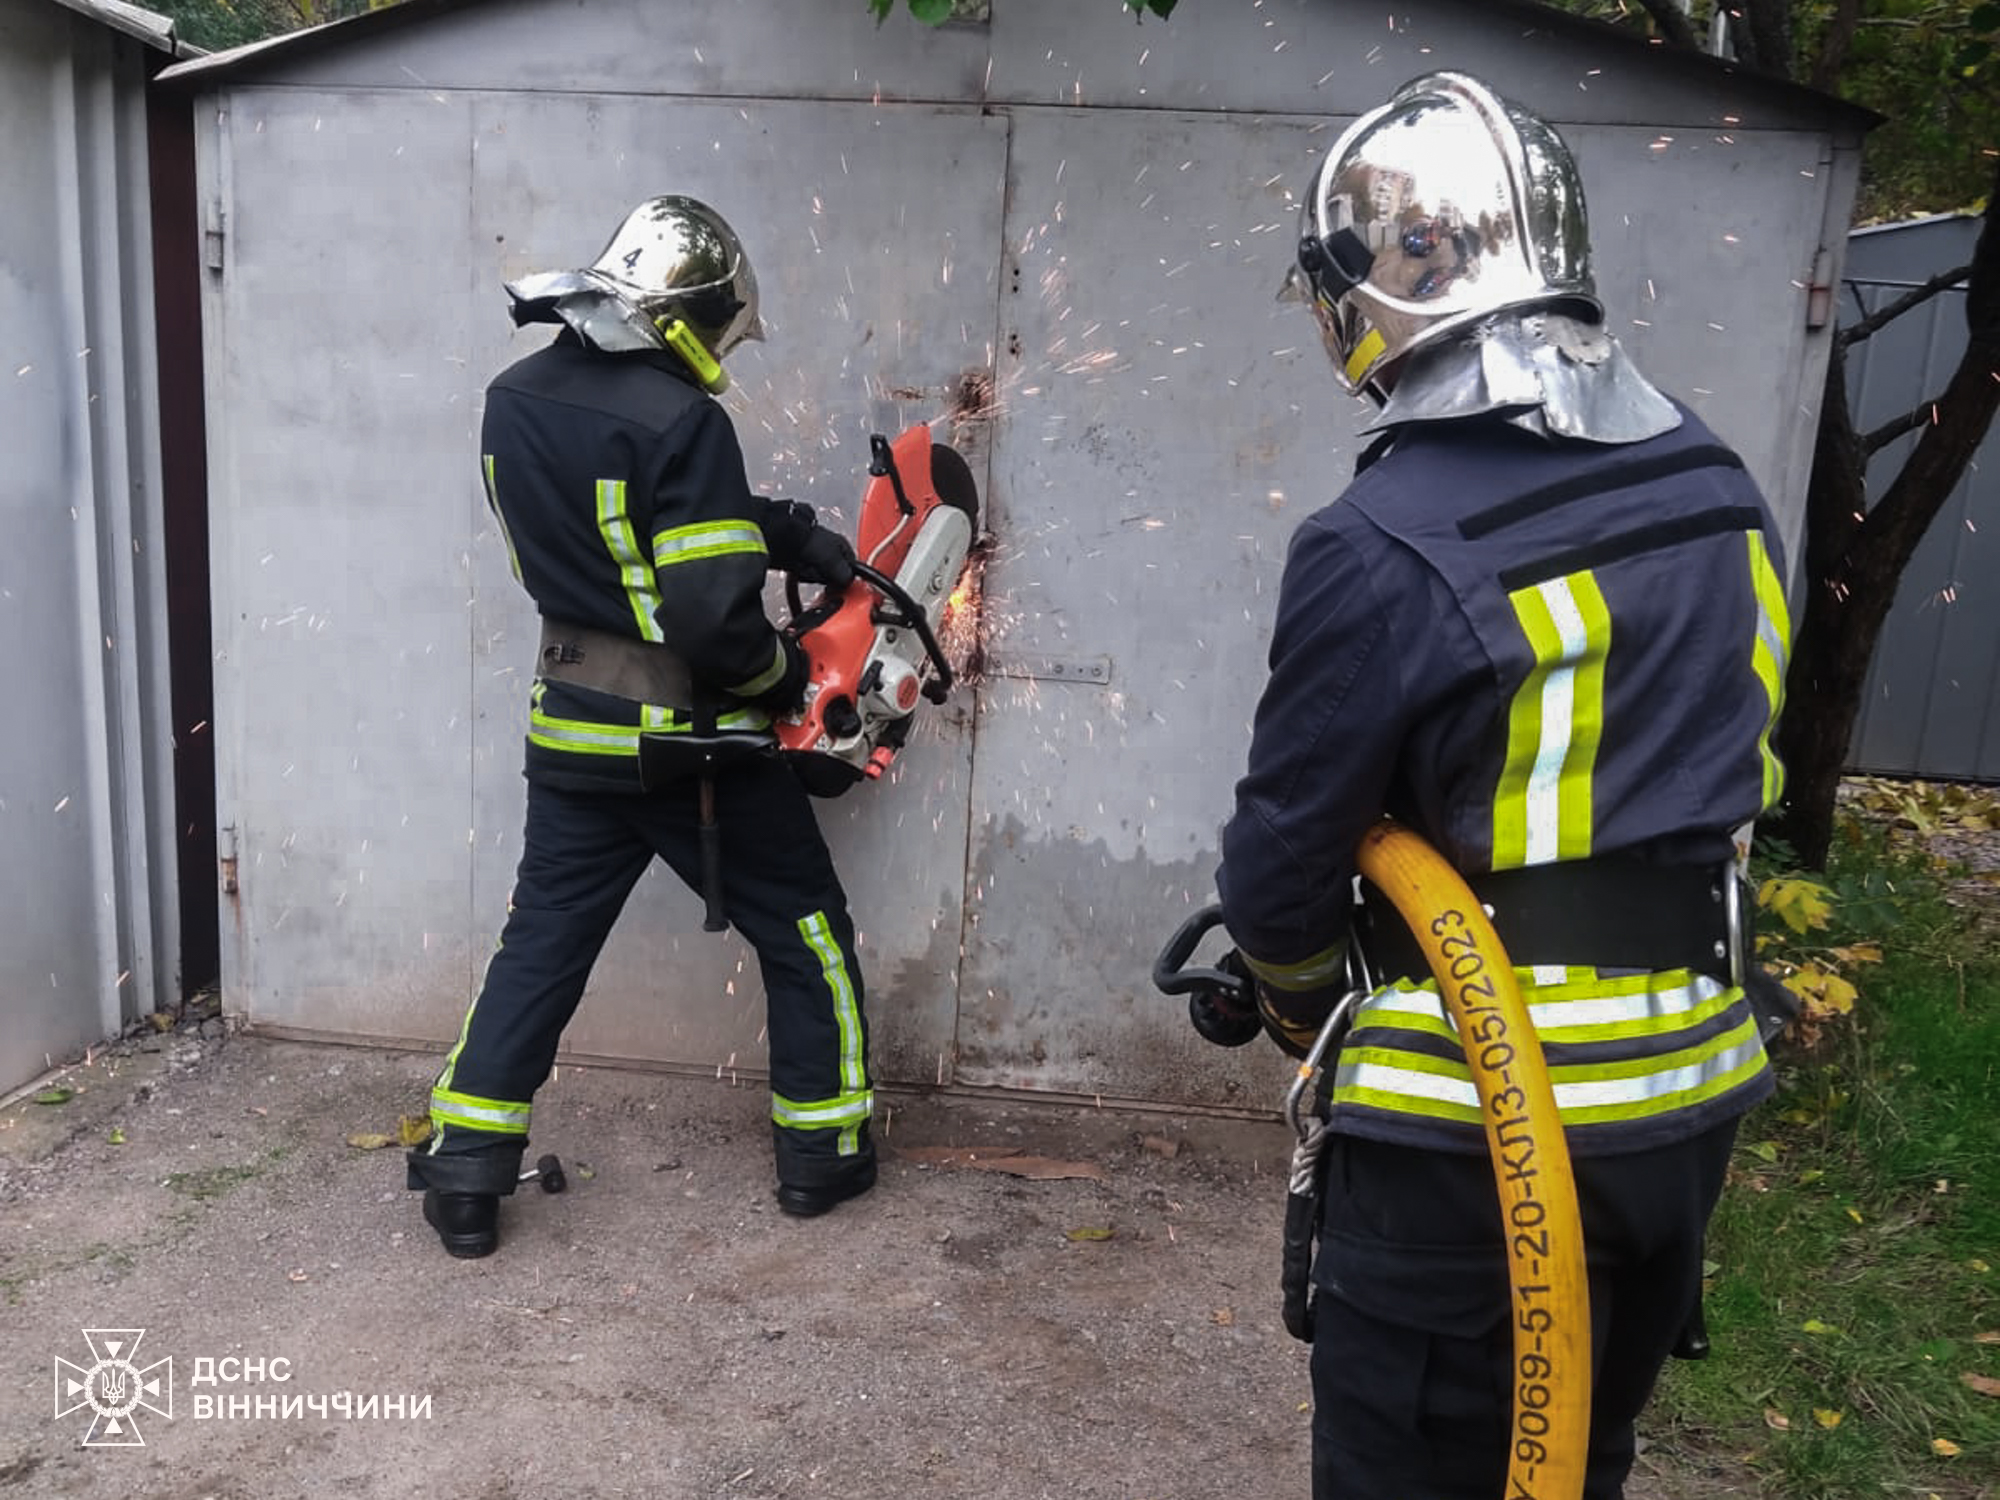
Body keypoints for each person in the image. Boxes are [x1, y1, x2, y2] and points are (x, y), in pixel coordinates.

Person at [1209, 73, 1792, 1500]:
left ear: (1373, 288)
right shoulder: (1718, 485)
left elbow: (1286, 863)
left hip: (1482, 1138)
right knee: (1570, 1459)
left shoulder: (1384, 536)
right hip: (1683, 1109)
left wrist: (1290, 992)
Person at [408, 196, 878, 1259]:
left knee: (541, 944)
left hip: (574, 731)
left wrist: (785, 532)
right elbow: (710, 618)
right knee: (805, 933)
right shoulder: (684, 419)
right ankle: (823, 1153)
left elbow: (615, 520)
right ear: (681, 318)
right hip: (690, 747)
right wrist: (782, 681)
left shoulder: (517, 397)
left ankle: (467, 1170)